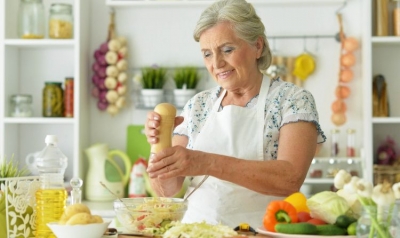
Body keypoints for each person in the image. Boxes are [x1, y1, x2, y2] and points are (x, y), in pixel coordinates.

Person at [144, 0, 326, 229]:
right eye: (207, 54)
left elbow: (289, 178)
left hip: (260, 232)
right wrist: (159, 144)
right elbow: (167, 190)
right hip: (197, 231)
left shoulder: (293, 101)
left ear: (257, 46)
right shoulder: (198, 106)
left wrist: (206, 162)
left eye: (227, 50)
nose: (217, 64)